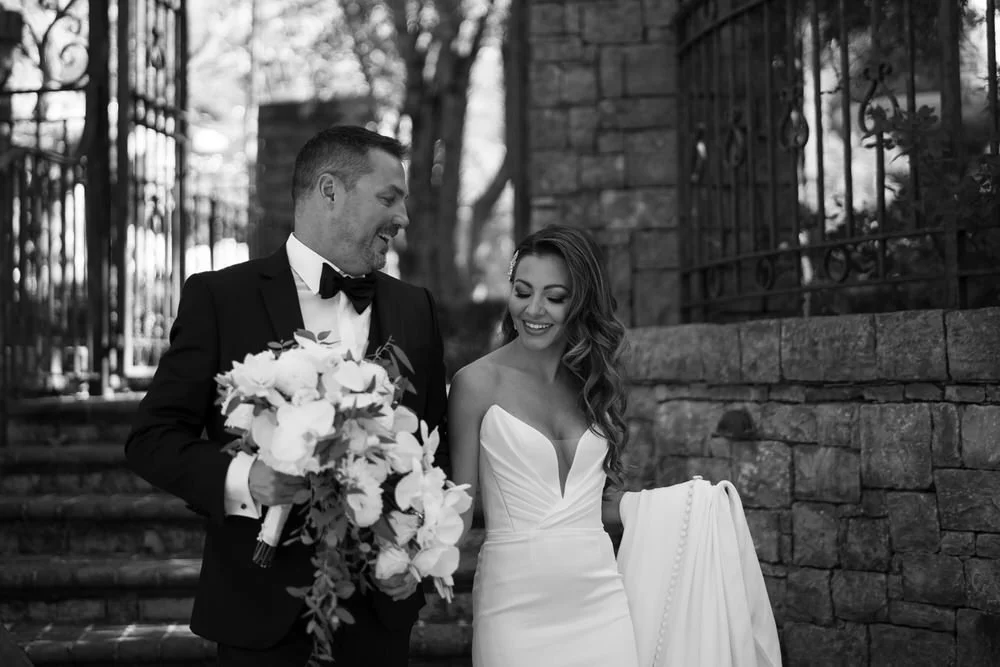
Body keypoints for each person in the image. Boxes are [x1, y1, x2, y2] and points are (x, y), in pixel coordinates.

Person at [125, 126, 451, 667]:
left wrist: (414, 563)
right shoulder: (220, 299)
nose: (403, 218)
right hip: (260, 616)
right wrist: (245, 480)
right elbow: (152, 440)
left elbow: (433, 450)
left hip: (379, 618)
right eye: (388, 198)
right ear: (329, 191)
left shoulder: (417, 308)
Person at [448, 225, 640, 666]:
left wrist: (675, 507)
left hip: (602, 604)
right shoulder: (475, 384)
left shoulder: (594, 385)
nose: (534, 309)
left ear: (581, 303)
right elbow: (458, 511)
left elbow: (590, 506)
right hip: (513, 609)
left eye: (555, 297)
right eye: (522, 291)